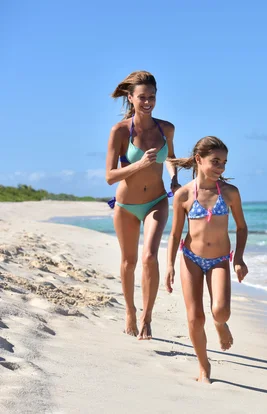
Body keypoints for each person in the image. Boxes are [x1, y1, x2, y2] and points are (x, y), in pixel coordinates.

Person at [165, 136, 249, 384]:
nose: (221, 168)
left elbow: (242, 228)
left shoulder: (230, 193)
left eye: (224, 163)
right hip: (191, 259)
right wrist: (169, 264)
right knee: (194, 317)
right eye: (215, 162)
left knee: (220, 311)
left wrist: (239, 259)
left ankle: (220, 325)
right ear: (199, 160)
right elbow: (175, 233)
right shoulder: (183, 195)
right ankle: (203, 366)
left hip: (220, 259)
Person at [105, 70, 180, 340]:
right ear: (131, 98)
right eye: (142, 97)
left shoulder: (166, 128)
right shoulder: (121, 131)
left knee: (149, 256)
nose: (147, 102)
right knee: (129, 261)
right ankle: (129, 310)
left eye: (152, 97)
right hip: (126, 205)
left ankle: (147, 318)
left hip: (156, 201)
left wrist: (174, 180)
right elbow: (109, 176)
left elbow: (170, 158)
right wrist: (139, 164)